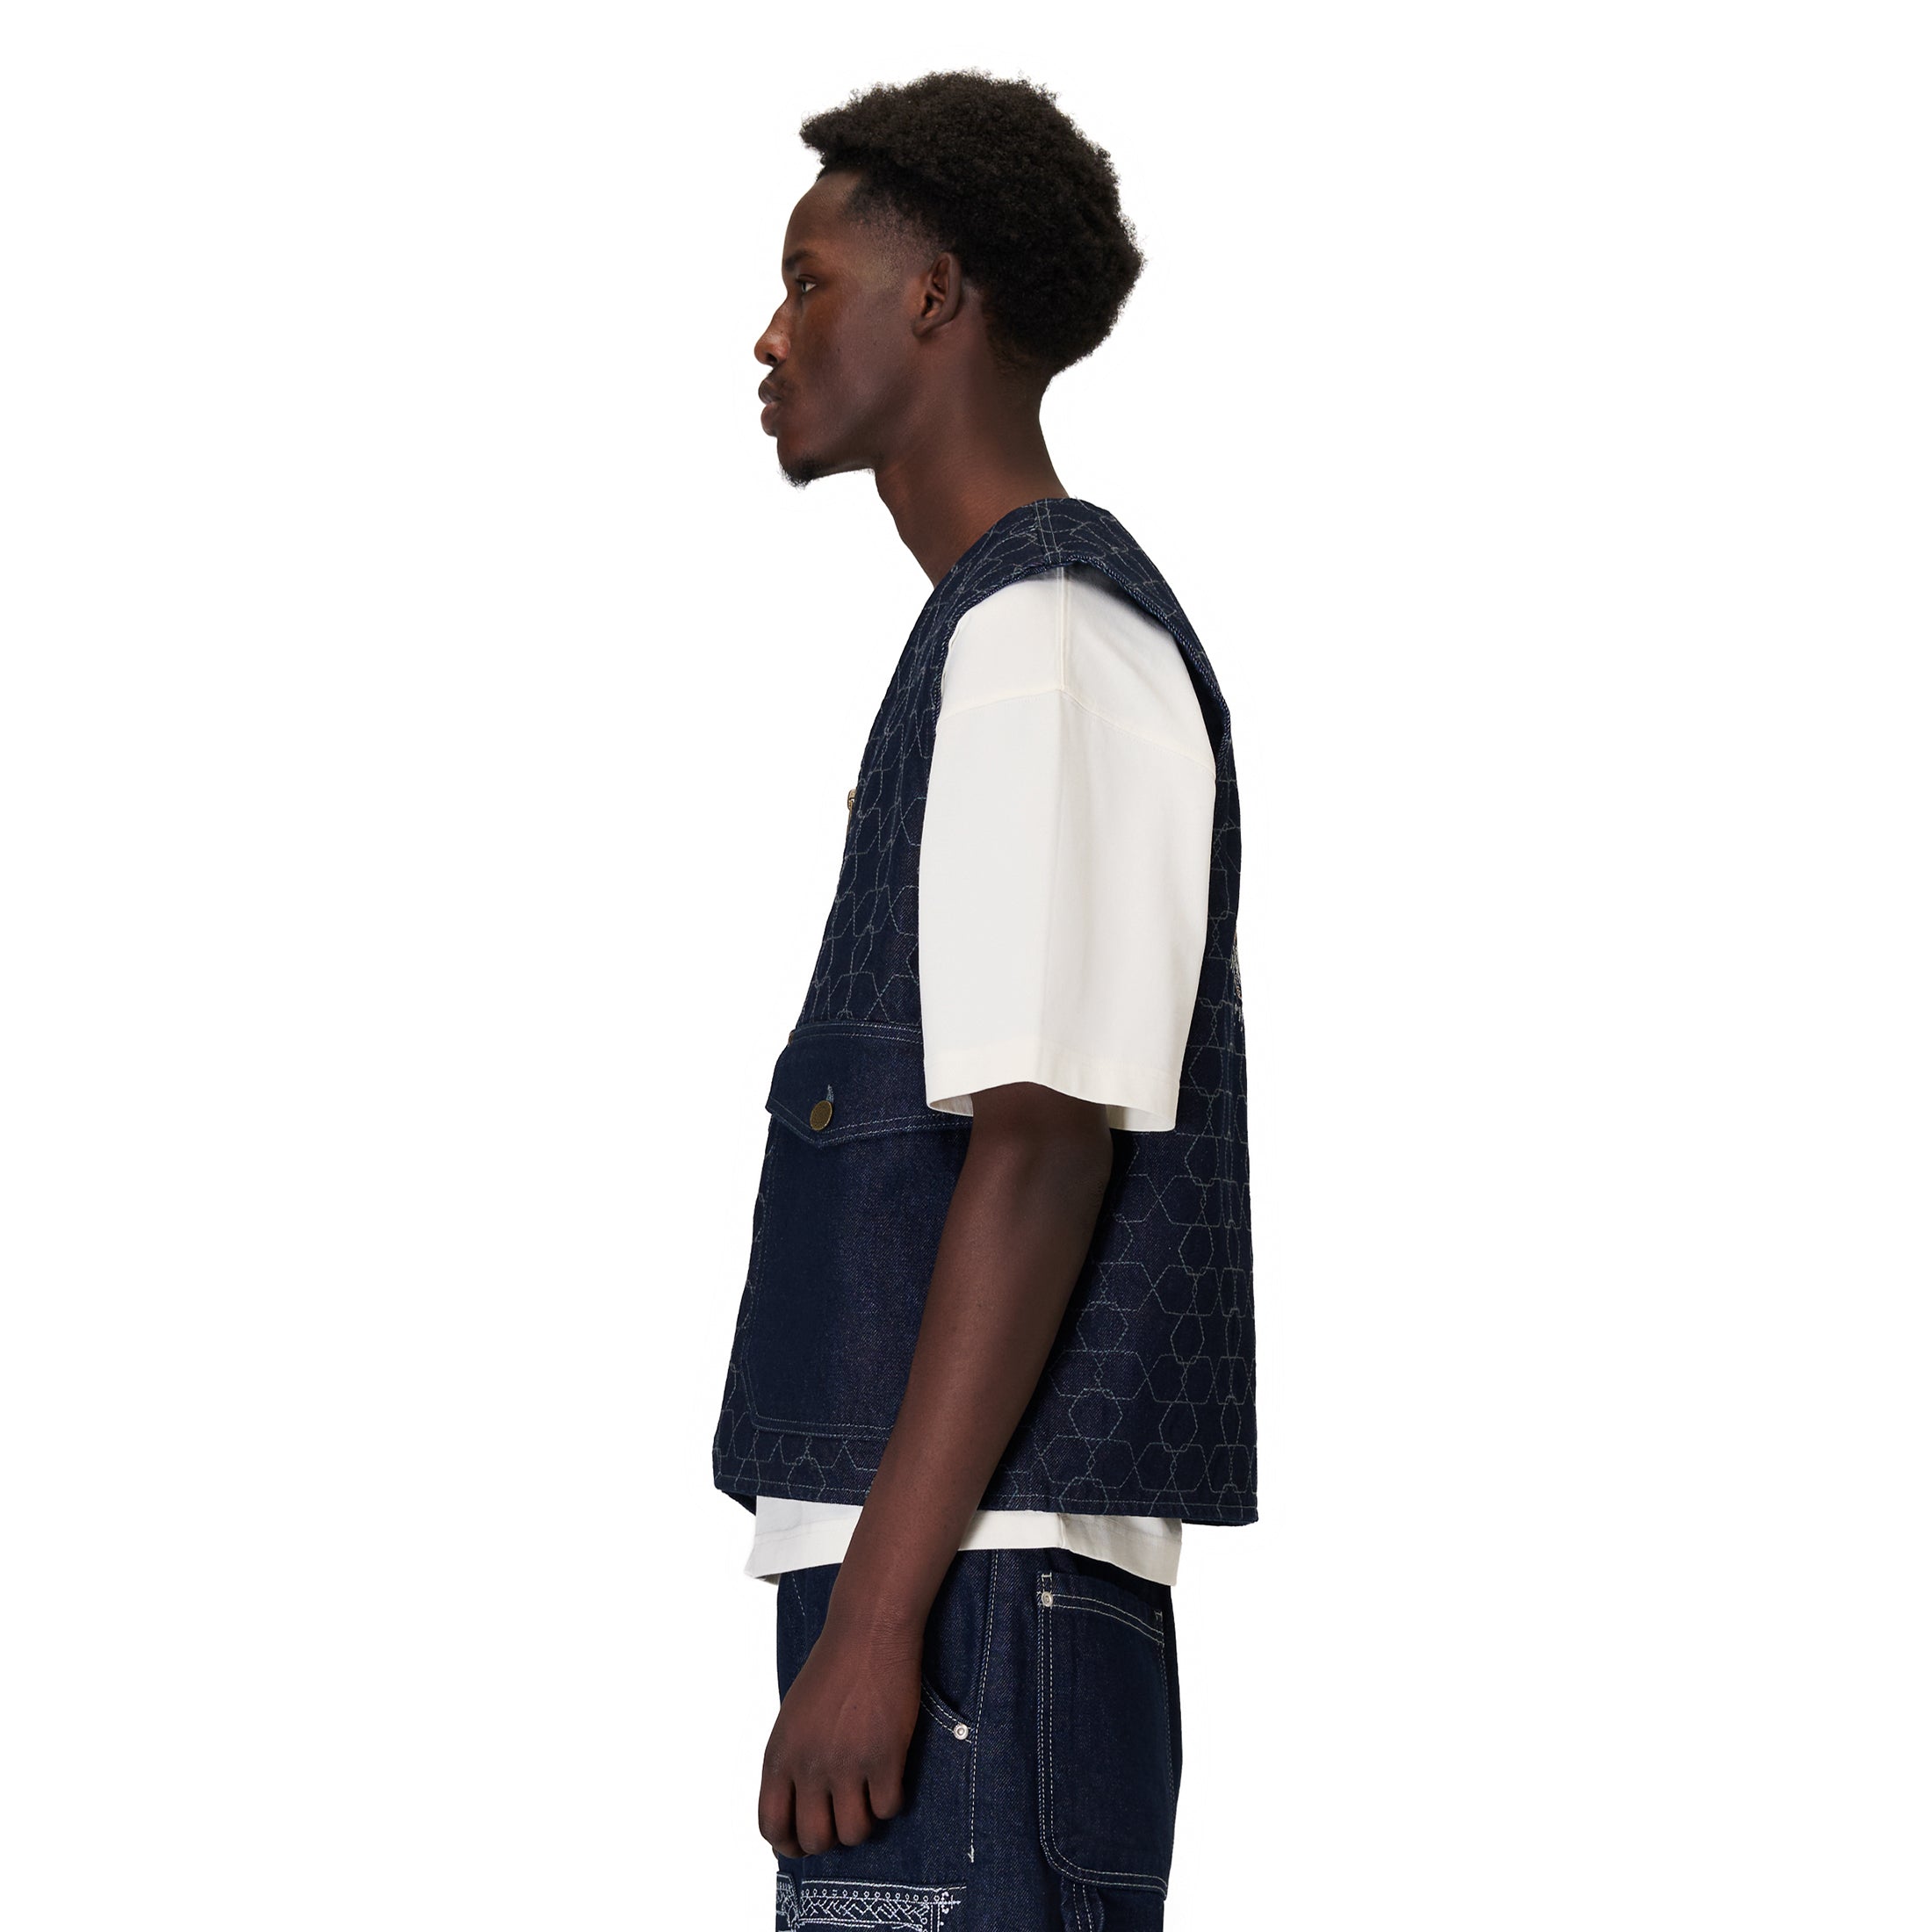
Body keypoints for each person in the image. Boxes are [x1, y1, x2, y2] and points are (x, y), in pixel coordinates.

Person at [711, 70, 1256, 1929]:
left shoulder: (1045, 639)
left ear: (933, 295)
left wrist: (876, 1623)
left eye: (809, 282)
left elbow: (1041, 1145)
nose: (769, 335)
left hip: (966, 1599)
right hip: (954, 1579)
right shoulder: (995, 636)